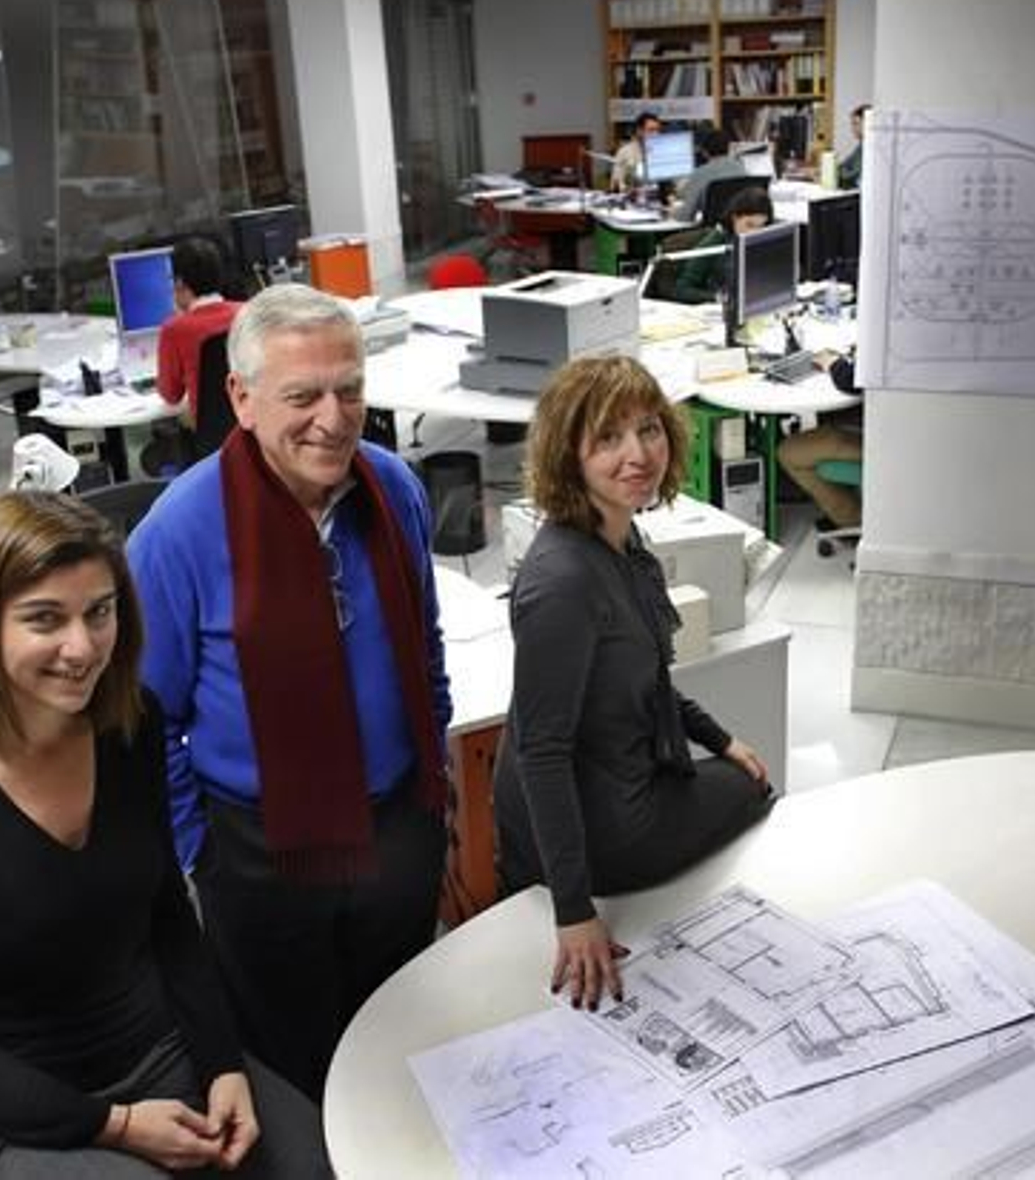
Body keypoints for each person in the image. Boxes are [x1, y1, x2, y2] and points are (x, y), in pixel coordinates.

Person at [0, 491, 328, 1180]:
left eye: (99, 612)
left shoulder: (131, 726)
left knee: (318, 1165)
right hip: (19, 1110)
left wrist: (224, 1064)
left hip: (162, 1052)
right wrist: (118, 1127)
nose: (82, 648)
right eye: (45, 619)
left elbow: (168, 914)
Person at [128, 283, 451, 1101]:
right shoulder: (177, 532)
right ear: (240, 399)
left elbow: (428, 643)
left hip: (398, 826)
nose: (334, 418)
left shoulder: (393, 489)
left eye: (350, 389)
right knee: (295, 1059)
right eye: (302, 396)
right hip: (260, 855)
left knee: (402, 1034)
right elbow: (143, 717)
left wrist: (434, 786)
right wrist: (200, 849)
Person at [494, 355, 773, 1013]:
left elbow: (641, 677)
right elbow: (542, 753)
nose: (638, 454)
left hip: (622, 771)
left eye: (648, 429)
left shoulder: (618, 535)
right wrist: (574, 911)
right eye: (608, 439)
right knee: (756, 794)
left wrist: (720, 736)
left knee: (742, 771)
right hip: (604, 823)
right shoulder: (562, 582)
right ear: (570, 455)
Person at [157, 237, 242, 426]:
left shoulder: (174, 329)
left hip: (211, 436)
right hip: (253, 428)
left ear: (179, 283)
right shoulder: (248, 313)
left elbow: (171, 396)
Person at [778, 353, 864, 534]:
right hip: (917, 440)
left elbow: (851, 379)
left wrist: (832, 362)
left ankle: (851, 519)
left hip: (884, 445)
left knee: (789, 452)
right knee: (830, 420)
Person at [664, 184, 774, 305]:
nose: (753, 233)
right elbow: (681, 289)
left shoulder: (762, 240)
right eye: (749, 225)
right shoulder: (716, 241)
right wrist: (718, 298)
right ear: (735, 218)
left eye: (760, 227)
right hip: (722, 310)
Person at [677, 127, 748, 223]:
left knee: (673, 239)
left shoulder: (700, 173)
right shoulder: (741, 168)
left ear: (704, 152)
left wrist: (672, 212)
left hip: (711, 232)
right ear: (728, 148)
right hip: (736, 228)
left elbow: (685, 217)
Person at [610, 112, 662, 192]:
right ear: (639, 131)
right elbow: (616, 182)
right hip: (635, 199)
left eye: (657, 130)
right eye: (651, 130)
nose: (656, 134)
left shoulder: (663, 152)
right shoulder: (625, 152)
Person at [838, 103, 870, 190]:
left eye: (856, 124)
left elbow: (851, 177)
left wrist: (829, 175)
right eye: (852, 124)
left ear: (868, 123)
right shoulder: (862, 145)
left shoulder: (870, 149)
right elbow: (845, 165)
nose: (852, 128)